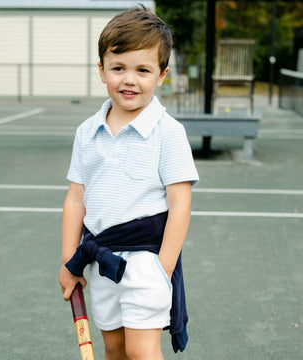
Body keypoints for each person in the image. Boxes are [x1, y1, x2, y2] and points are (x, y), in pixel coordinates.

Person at [59, 6, 199, 360]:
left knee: (141, 350)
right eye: (118, 68)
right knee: (116, 348)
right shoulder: (87, 132)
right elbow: (76, 199)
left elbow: (180, 205)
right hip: (101, 259)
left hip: (146, 261)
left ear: (162, 75)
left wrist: (161, 270)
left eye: (143, 70)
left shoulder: (168, 132)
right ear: (102, 70)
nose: (129, 79)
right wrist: (69, 261)